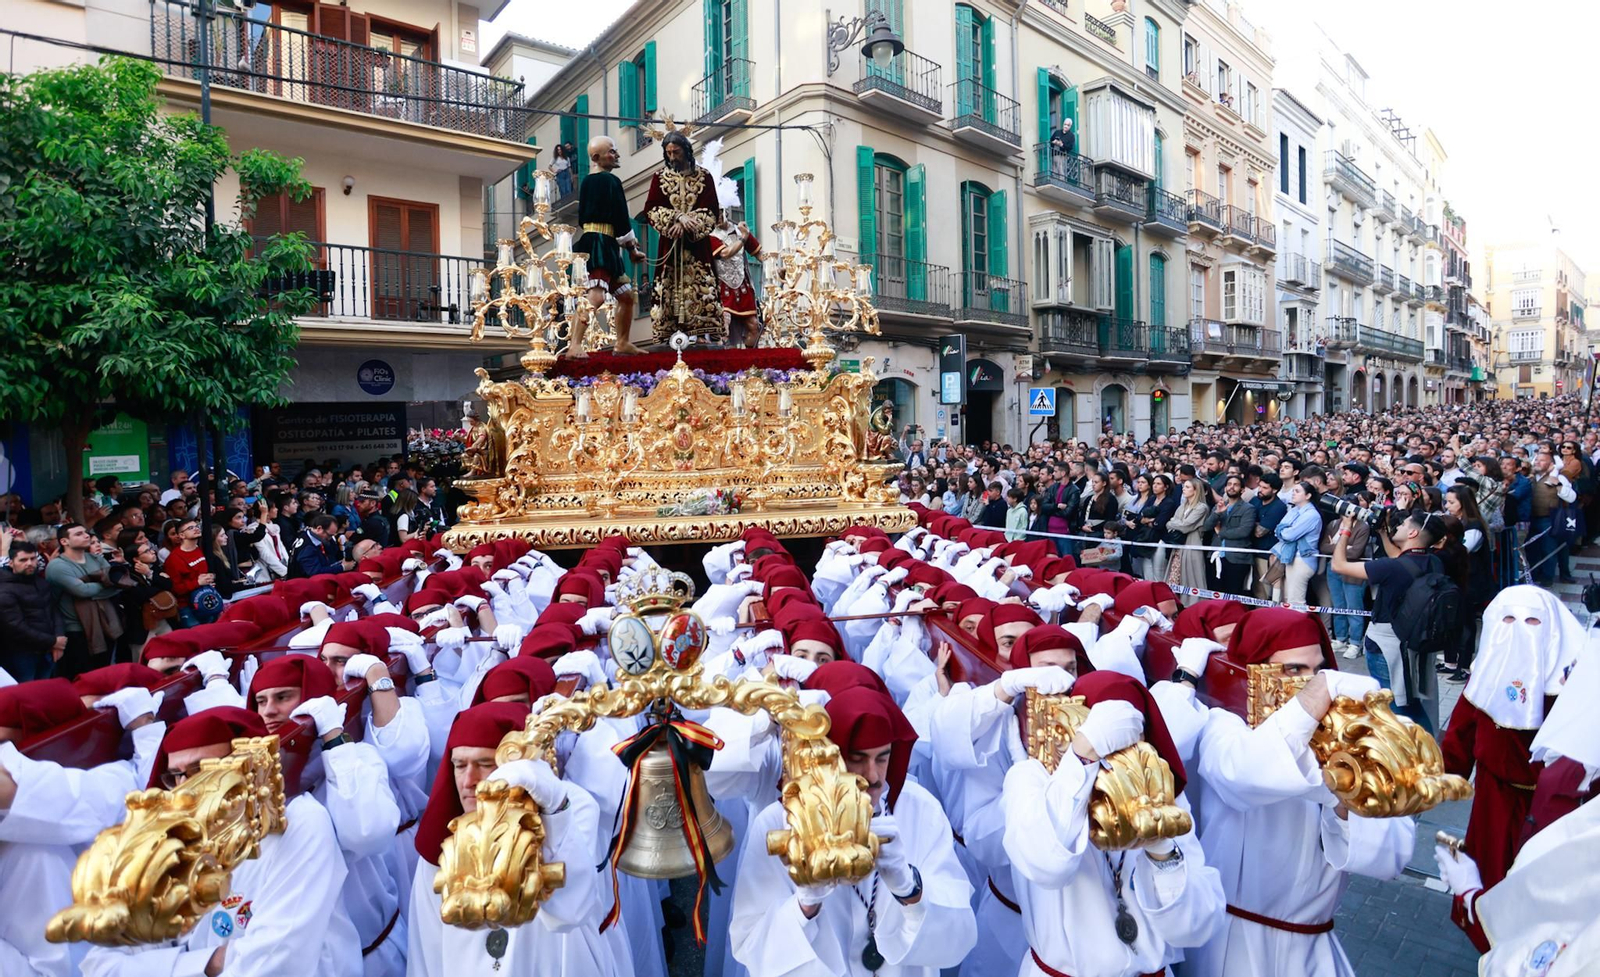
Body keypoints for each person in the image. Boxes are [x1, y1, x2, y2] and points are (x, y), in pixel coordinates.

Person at [1172, 609, 1414, 977]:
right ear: (1254, 673)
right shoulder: (1222, 724)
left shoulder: (1342, 738)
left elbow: (1388, 857)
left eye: (1318, 671)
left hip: (1309, 948)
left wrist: (1348, 797)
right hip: (1230, 945)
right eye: (1293, 670)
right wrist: (1313, 709)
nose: (1312, 683)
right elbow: (1244, 774)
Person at [80, 706, 362, 977]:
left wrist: (162, 966)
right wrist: (208, 963)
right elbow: (99, 964)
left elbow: (277, 963)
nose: (184, 790)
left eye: (201, 771)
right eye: (175, 776)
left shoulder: (301, 823)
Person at [729, 686, 978, 977]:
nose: (872, 776)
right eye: (857, 758)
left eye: (882, 758)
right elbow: (749, 943)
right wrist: (805, 905)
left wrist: (909, 888)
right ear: (828, 758)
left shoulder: (920, 809)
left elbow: (959, 936)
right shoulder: (780, 820)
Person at [1001, 671, 1227, 977]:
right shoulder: (1031, 779)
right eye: (1111, 746)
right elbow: (1044, 862)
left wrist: (1161, 849)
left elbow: (1197, 927)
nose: (1122, 761)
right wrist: (1082, 757)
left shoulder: (1163, 798)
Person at [408, 702, 615, 976]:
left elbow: (569, 911)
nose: (468, 780)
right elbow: (426, 949)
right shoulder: (441, 842)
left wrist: (554, 811)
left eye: (484, 764)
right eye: (459, 765)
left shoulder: (572, 804)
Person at [1328, 509, 1444, 732]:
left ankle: (1414, 755)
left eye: (1405, 522)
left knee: (1394, 708)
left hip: (1386, 646)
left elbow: (1339, 565)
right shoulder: (1432, 562)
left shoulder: (1391, 568)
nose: (1398, 525)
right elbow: (1401, 560)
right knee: (1410, 701)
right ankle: (1427, 750)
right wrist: (1382, 533)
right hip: (1415, 641)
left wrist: (1346, 528)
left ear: (1412, 533)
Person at [640, 130, 724, 344]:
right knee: (667, 289)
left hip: (697, 247)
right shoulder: (659, 178)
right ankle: (670, 334)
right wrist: (676, 218)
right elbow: (651, 209)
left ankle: (702, 334)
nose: (672, 157)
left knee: (702, 287)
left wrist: (689, 223)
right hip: (670, 245)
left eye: (676, 152)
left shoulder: (704, 177)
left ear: (686, 150)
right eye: (668, 153)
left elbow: (711, 210)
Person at [572, 134, 647, 357]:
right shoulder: (611, 181)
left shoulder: (587, 182)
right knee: (596, 295)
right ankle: (575, 344)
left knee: (625, 296)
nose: (616, 155)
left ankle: (622, 342)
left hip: (597, 241)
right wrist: (632, 249)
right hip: (601, 244)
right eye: (611, 152)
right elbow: (621, 217)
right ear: (597, 157)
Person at [44, 522, 120, 678]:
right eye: (78, 534)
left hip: (105, 622)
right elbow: (81, 591)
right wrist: (103, 584)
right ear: (64, 541)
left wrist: (96, 585)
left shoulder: (95, 558)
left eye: (85, 532)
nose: (86, 535)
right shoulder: (57, 566)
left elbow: (117, 583)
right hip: (76, 629)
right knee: (82, 676)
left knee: (104, 673)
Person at [0, 540, 66, 681]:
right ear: (11, 563)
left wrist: (59, 638)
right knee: (26, 694)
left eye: (32, 558)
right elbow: (15, 626)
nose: (29, 563)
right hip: (22, 654)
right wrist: (53, 642)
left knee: (44, 693)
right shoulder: (4, 589)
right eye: (23, 560)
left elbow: (54, 611)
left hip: (47, 650)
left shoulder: (41, 583)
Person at [1207, 473, 1257, 599]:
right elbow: (1206, 527)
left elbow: (1243, 531)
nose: (1231, 487)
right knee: (1216, 594)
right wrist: (1217, 513)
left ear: (1242, 489)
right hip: (1216, 555)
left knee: (1233, 595)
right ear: (1225, 488)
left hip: (1236, 558)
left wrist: (1220, 533)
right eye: (1229, 484)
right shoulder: (1219, 506)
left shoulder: (1248, 508)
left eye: (1235, 485)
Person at [1272, 481, 1322, 607]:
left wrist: (1283, 532)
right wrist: (1283, 532)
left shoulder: (1312, 515)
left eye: (1297, 491)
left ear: (1308, 495)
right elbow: (1278, 529)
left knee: (1296, 601)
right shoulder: (1294, 510)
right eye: (1293, 490)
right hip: (1291, 557)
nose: (1293, 494)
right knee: (1288, 599)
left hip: (1303, 560)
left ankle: (1299, 626)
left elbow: (1289, 535)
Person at [290, 513, 350, 578]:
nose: (330, 538)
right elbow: (315, 572)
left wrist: (339, 563)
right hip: (303, 584)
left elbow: (332, 554)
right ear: (319, 529)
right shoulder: (307, 548)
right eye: (329, 535)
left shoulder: (311, 535)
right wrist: (342, 567)